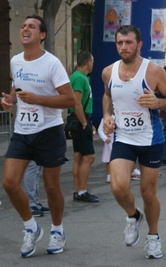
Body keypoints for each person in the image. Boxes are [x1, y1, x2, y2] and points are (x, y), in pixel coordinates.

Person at [101, 25, 166, 259]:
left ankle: (153, 238)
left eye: (128, 42)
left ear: (139, 44)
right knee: (118, 186)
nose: (123, 47)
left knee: (147, 192)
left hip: (150, 139)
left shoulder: (153, 71)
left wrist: (158, 104)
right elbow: (107, 95)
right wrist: (107, 116)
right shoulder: (108, 71)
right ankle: (133, 215)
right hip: (123, 137)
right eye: (120, 43)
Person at [1, 14, 75, 257]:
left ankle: (57, 230)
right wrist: (10, 100)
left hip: (49, 131)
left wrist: (38, 99)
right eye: (23, 26)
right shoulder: (15, 61)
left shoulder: (52, 63)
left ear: (41, 35)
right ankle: (31, 226)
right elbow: (17, 88)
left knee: (52, 187)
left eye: (31, 26)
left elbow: (69, 99)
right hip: (23, 131)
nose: (25, 29)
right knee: (9, 182)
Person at [69, 50, 98, 203]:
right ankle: (82, 190)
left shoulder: (77, 76)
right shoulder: (80, 78)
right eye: (92, 62)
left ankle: (78, 190)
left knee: (79, 157)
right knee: (89, 157)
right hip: (81, 121)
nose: (92, 65)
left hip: (80, 120)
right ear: (88, 63)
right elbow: (76, 102)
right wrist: (85, 123)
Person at [98, 116, 141, 182]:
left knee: (124, 157)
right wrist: (105, 138)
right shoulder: (106, 118)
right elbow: (100, 130)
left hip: (119, 139)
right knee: (108, 159)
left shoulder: (120, 116)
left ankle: (130, 171)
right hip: (109, 141)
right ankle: (109, 176)